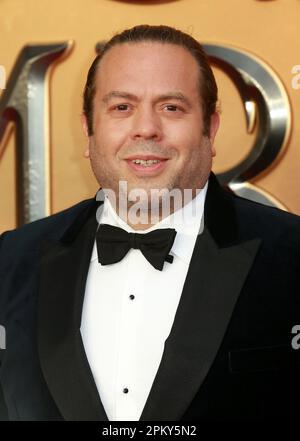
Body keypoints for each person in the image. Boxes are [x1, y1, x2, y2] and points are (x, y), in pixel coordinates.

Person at [0, 24, 300, 422]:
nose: (146, 128)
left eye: (171, 107)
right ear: (89, 131)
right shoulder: (10, 261)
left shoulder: (292, 256)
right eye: (122, 107)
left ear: (210, 130)